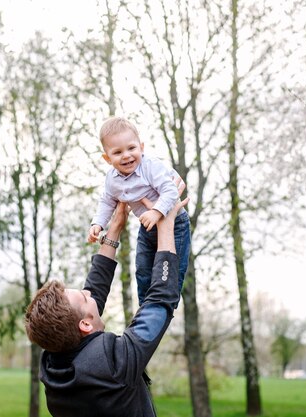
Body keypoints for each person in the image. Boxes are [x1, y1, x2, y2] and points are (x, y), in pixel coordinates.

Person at [25, 180, 189, 417]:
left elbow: (92, 296)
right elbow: (160, 301)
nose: (88, 291)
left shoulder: (53, 363)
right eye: (83, 296)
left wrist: (114, 228)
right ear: (85, 324)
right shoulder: (113, 365)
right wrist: (165, 226)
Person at [87, 116, 191, 305]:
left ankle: (166, 305)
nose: (126, 155)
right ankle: (145, 307)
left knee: (173, 268)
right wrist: (98, 223)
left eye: (131, 148)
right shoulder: (112, 179)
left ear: (141, 147)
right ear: (107, 158)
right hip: (147, 228)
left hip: (175, 225)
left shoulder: (151, 166)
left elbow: (171, 191)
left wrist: (157, 212)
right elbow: (107, 201)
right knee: (143, 270)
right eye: (117, 152)